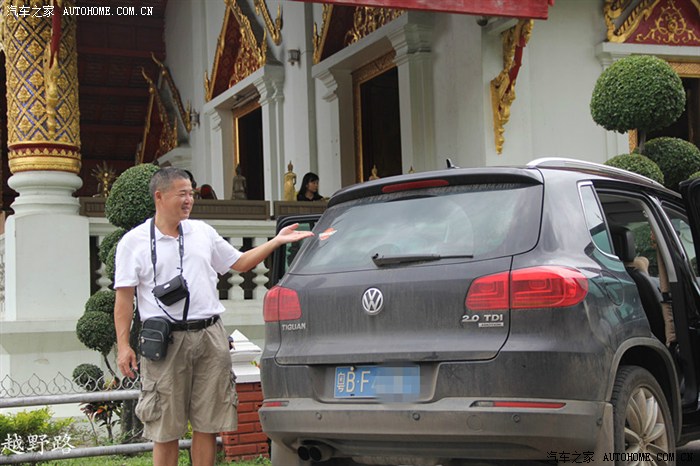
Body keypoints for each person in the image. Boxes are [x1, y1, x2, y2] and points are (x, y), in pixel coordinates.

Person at [114, 167, 313, 466]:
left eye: (191, 194)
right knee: (165, 428)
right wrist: (123, 346)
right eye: (182, 194)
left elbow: (240, 263)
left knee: (208, 424)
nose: (189, 200)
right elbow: (124, 299)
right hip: (165, 342)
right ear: (159, 196)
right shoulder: (134, 242)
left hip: (210, 336)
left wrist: (276, 241)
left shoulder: (202, 232)